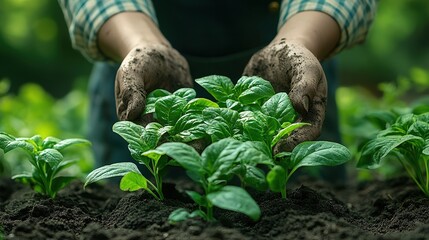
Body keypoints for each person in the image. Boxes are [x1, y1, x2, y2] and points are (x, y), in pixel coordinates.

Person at [58, 0, 376, 182]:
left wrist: (300, 41)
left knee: (308, 201)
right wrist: (139, 44)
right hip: (139, 65)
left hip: (296, 66)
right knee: (132, 209)